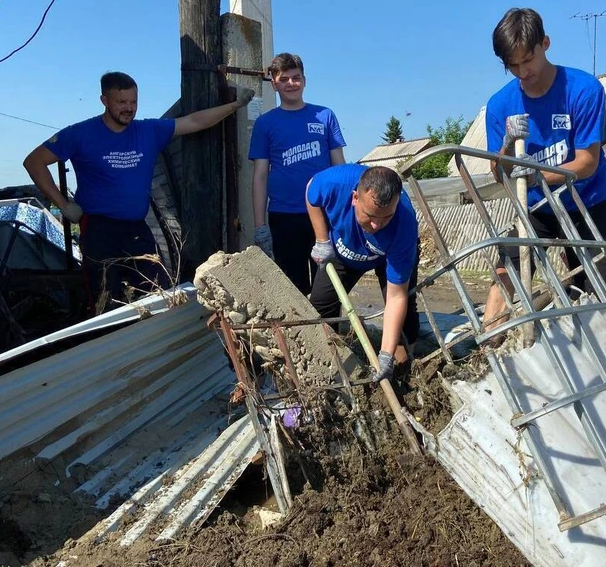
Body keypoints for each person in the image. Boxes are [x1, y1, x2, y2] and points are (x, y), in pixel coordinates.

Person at [24, 71, 254, 312]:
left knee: (157, 294)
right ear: (104, 101)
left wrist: (235, 105)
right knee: (106, 301)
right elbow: (34, 162)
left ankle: (154, 346)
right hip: (99, 231)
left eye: (133, 102)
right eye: (121, 102)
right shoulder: (80, 134)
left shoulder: (148, 131)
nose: (129, 108)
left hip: (136, 229)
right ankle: (112, 346)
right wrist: (64, 205)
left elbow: (194, 121)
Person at [481, 7, 606, 330]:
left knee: (594, 291)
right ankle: (488, 348)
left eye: (528, 60)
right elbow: (499, 173)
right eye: (513, 65)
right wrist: (506, 150)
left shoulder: (583, 91)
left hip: (586, 201)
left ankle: (601, 353)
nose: (523, 72)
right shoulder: (500, 106)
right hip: (536, 207)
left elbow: (587, 161)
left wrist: (534, 175)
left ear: (546, 43)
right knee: (507, 269)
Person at [305, 164, 419, 382]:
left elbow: (397, 296)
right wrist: (322, 240)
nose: (377, 224)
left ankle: (404, 372)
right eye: (370, 215)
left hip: (387, 254)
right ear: (355, 197)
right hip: (342, 250)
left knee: (404, 316)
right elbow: (311, 190)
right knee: (320, 309)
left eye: (386, 217)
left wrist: (385, 354)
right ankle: (333, 371)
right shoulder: (334, 184)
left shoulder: (404, 225)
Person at [249, 52, 347, 295]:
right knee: (294, 289)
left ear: (304, 80)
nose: (291, 84)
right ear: (274, 83)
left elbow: (339, 168)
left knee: (328, 287)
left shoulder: (325, 116)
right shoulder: (265, 124)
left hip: (324, 215)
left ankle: (329, 332)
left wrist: (343, 212)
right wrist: (260, 226)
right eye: (284, 79)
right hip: (284, 216)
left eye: (296, 78)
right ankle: (298, 334)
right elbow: (260, 176)